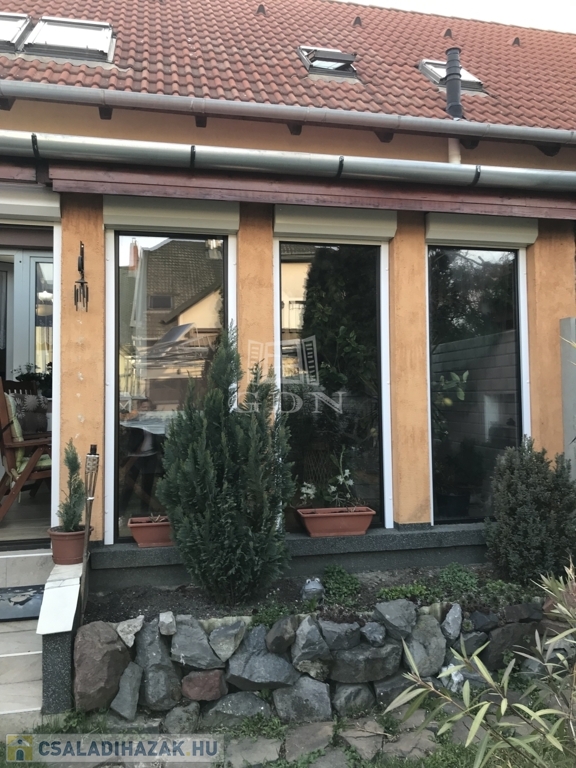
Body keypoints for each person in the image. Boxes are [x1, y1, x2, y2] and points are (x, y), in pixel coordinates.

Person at [119, 398, 162, 515]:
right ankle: (121, 512)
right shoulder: (135, 420)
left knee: (147, 485)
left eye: (148, 407)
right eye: (144, 407)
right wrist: (135, 416)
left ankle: (144, 512)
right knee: (129, 485)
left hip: (150, 456)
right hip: (136, 456)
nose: (146, 410)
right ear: (139, 408)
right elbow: (125, 423)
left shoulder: (153, 420)